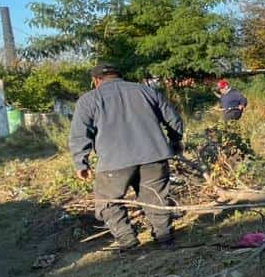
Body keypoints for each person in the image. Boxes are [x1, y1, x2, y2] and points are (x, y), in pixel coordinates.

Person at [69, 63, 185, 251]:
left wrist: (80, 163)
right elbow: (173, 119)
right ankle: (165, 238)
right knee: (155, 197)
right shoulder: (146, 91)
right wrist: (175, 141)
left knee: (108, 201)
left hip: (114, 162)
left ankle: (128, 242)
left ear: (95, 80)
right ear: (119, 75)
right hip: (153, 155)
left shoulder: (89, 100)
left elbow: (79, 134)